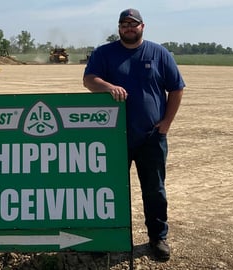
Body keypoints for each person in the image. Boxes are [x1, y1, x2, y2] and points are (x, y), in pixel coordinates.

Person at [83, 8, 185, 261]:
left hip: (151, 136)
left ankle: (157, 237)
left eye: (133, 24)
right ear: (119, 28)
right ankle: (105, 237)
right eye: (124, 24)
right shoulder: (104, 53)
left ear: (142, 26)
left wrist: (167, 123)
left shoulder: (158, 53)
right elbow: (89, 80)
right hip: (113, 137)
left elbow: (176, 88)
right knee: (109, 190)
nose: (129, 28)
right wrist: (108, 87)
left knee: (154, 190)